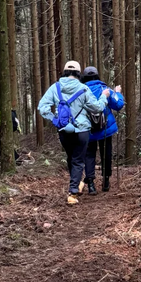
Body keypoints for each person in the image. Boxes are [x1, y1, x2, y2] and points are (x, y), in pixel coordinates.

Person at [38, 60, 110, 204]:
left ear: (65, 72)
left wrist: (54, 120)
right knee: (78, 160)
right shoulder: (83, 89)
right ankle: (73, 192)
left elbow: (42, 107)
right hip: (82, 130)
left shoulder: (55, 87)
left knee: (71, 158)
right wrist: (104, 96)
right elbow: (97, 108)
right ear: (78, 73)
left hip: (64, 130)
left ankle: (76, 184)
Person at [81, 66, 124, 192]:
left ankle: (91, 185)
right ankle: (106, 181)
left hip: (88, 129)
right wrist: (118, 92)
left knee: (89, 156)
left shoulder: (81, 91)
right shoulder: (105, 89)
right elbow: (118, 105)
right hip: (105, 128)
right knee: (106, 153)